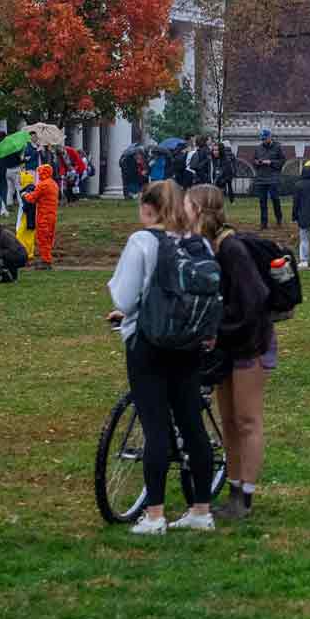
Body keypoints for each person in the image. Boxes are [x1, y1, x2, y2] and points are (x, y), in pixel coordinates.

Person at [105, 181, 219, 534]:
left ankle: (154, 514)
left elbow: (124, 298)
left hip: (149, 341)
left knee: (154, 426)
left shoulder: (142, 242)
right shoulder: (198, 243)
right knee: (191, 422)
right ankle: (201, 509)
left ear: (148, 208)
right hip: (189, 341)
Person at [189, 186, 274, 521]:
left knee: (248, 420)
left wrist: (223, 330)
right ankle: (234, 488)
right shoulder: (209, 246)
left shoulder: (232, 248)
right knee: (228, 421)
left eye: (187, 206)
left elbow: (255, 299)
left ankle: (245, 496)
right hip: (225, 341)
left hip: (249, 341)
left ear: (200, 210)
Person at [251, 131, 285, 228]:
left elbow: (282, 161)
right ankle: (263, 223)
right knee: (262, 201)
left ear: (270, 137)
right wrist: (257, 162)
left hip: (273, 177)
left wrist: (271, 162)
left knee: (275, 199)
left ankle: (279, 218)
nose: (264, 141)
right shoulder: (258, 148)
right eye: (262, 139)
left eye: (265, 139)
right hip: (261, 177)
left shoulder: (277, 147)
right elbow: (253, 160)